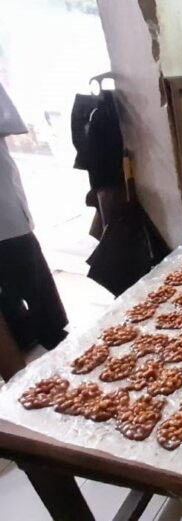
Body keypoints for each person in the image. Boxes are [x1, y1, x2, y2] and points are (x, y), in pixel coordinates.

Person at [0, 83, 68, 350]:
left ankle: (46, 336)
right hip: (7, 221)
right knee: (28, 280)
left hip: (6, 216)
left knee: (29, 276)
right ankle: (30, 337)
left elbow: (9, 123)